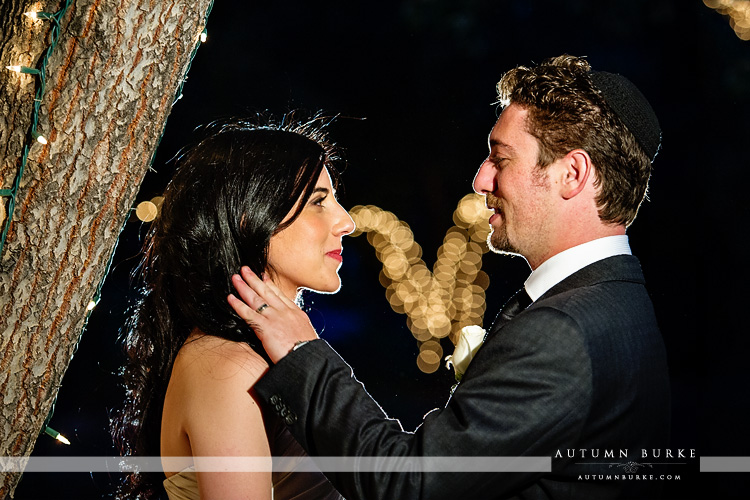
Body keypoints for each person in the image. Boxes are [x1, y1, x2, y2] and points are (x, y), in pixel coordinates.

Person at [228, 55, 670, 500]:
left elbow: (409, 486)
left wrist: (302, 354)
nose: (481, 179)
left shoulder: (562, 332)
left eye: (501, 159)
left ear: (572, 174)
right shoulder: (621, 302)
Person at [112, 116, 354, 500]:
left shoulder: (250, 356)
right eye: (318, 202)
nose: (346, 221)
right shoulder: (226, 367)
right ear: (249, 217)